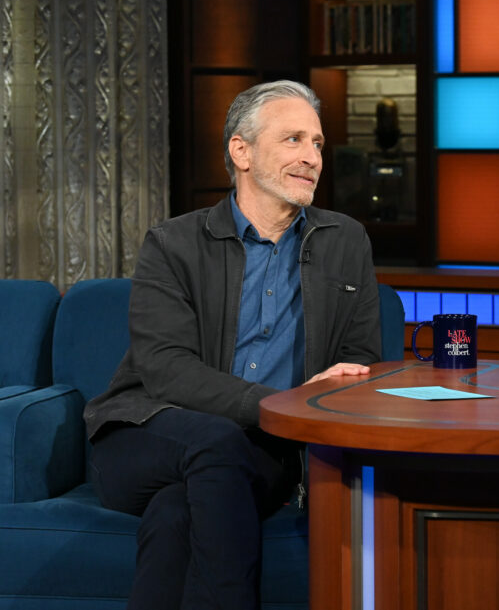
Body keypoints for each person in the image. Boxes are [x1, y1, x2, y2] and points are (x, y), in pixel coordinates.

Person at [83, 80, 381, 609]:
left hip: (263, 450)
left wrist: (333, 388)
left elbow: (361, 360)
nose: (312, 157)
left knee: (177, 511)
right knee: (216, 441)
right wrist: (276, 403)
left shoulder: (346, 240)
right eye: (293, 140)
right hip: (146, 432)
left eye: (317, 143)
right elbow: (166, 369)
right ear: (240, 151)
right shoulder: (173, 243)